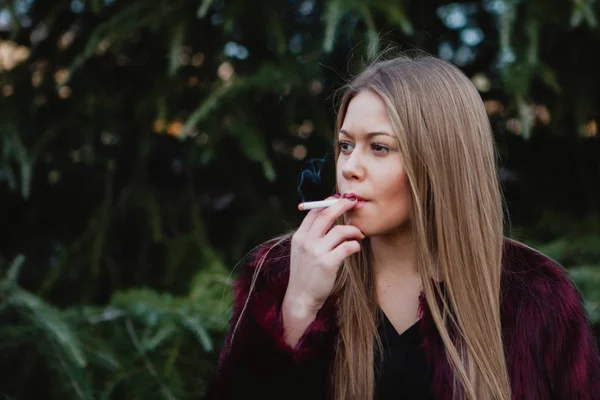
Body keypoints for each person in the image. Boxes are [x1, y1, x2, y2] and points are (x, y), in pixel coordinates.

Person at [206, 54, 600, 400]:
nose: (349, 168)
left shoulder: (536, 295)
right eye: (346, 145)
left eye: (379, 147)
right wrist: (298, 308)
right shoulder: (283, 272)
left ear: (439, 163)